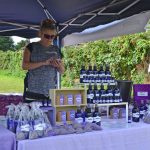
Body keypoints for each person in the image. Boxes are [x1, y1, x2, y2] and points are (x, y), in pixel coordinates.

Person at [22, 19, 65, 102]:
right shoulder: (31, 47)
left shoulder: (56, 49)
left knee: (50, 115)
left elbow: (62, 71)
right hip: (33, 92)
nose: (50, 39)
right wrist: (43, 63)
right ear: (40, 34)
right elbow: (24, 66)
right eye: (47, 36)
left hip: (50, 92)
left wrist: (58, 66)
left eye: (52, 36)